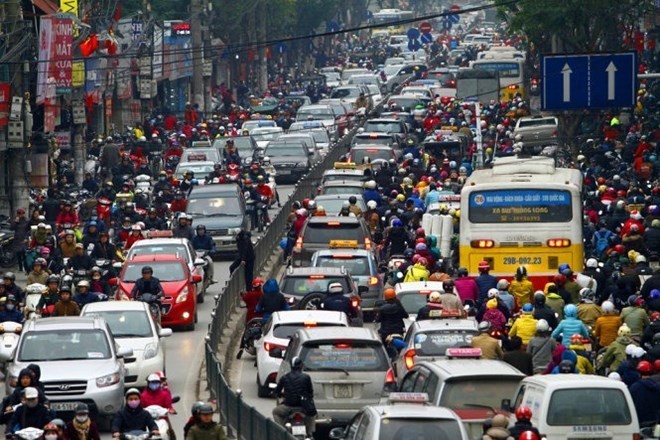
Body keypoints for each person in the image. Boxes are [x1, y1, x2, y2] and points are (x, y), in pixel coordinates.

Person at [272, 357, 315, 438]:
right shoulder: (306, 377)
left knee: (275, 412)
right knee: (312, 413)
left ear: (291, 366)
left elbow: (277, 391)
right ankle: (310, 433)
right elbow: (310, 392)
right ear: (301, 366)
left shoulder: (284, 378)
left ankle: (282, 431)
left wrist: (276, 394)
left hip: (288, 407)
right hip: (303, 407)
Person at [629, 361, 660, 426]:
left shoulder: (634, 387)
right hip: (655, 421)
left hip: (639, 422)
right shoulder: (658, 387)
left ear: (639, 373)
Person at [10, 208, 30, 273]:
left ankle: (26, 269)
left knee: (24, 255)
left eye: (21, 213)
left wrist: (27, 238)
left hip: (24, 239)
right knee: (18, 254)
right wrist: (16, 222)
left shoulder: (27, 221)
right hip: (17, 239)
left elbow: (29, 230)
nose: (20, 215)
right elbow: (11, 228)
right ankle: (20, 268)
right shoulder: (15, 220)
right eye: (18, 213)